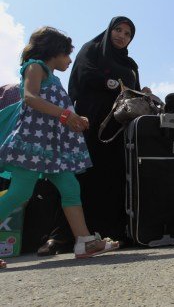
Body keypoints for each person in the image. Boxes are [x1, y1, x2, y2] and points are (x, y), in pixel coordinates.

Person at [0, 27, 119, 269]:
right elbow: (30, 98)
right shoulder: (35, 67)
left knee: (70, 186)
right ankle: (84, 240)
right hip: (32, 145)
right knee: (20, 193)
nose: (70, 60)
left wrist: (76, 118)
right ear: (54, 51)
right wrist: (66, 115)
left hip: (52, 148)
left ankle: (84, 241)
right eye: (67, 54)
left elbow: (56, 109)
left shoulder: (54, 78)